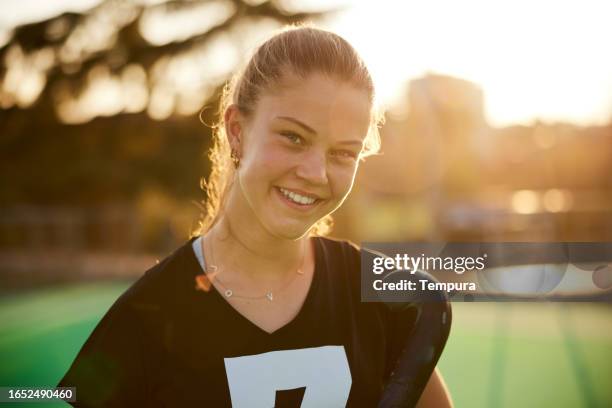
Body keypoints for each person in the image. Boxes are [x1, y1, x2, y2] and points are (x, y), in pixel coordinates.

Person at [58, 25, 453, 407]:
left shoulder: (382, 302)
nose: (315, 173)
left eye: (343, 152)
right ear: (236, 131)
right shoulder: (143, 320)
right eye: (293, 137)